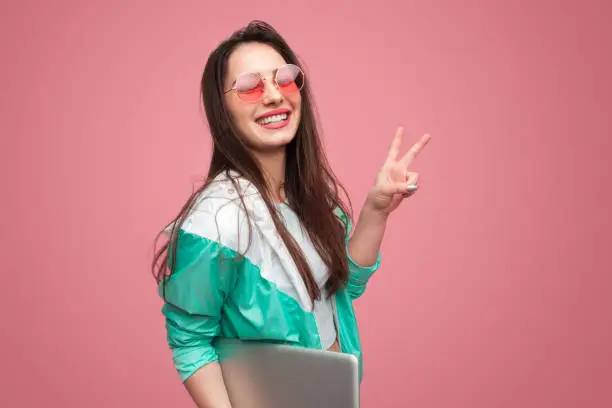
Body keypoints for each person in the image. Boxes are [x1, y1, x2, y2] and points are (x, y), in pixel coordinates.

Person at [152, 20, 430, 408]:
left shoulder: (312, 201)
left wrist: (376, 210)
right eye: (250, 86)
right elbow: (190, 341)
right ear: (223, 109)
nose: (272, 96)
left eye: (284, 79)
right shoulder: (215, 222)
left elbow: (343, 290)